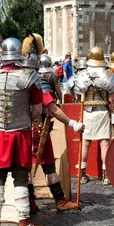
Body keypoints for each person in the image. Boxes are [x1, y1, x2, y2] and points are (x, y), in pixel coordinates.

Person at [0, 36, 47, 226]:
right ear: (19, 54)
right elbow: (37, 109)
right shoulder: (30, 78)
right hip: (20, 132)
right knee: (20, 178)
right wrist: (26, 119)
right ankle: (24, 225)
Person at [28, 44, 84, 213]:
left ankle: (29, 203)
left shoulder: (11, 80)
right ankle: (60, 200)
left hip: (19, 130)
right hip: (37, 130)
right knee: (49, 166)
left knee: (24, 170)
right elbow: (52, 108)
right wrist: (72, 123)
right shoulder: (36, 81)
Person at [73, 46, 114, 185]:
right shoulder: (108, 74)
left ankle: (82, 174)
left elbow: (76, 94)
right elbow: (113, 97)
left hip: (87, 111)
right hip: (102, 111)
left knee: (86, 143)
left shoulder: (82, 74)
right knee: (104, 143)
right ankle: (106, 175)